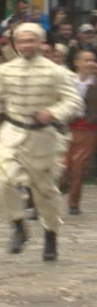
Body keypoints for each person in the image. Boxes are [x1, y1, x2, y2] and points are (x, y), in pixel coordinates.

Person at [0, 23, 83, 261]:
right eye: (21, 41)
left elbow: (74, 102)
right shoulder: (5, 70)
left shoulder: (56, 72)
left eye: (31, 41)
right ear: (15, 44)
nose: (26, 45)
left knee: (44, 191)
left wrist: (53, 112)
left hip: (43, 137)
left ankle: (51, 235)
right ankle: (18, 226)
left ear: (40, 43)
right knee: (3, 181)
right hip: (11, 131)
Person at [65, 49, 97, 216]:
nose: (90, 64)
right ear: (76, 63)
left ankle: (74, 201)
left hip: (88, 129)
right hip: (65, 127)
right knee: (64, 164)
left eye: (92, 60)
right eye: (86, 60)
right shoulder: (67, 81)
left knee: (79, 164)